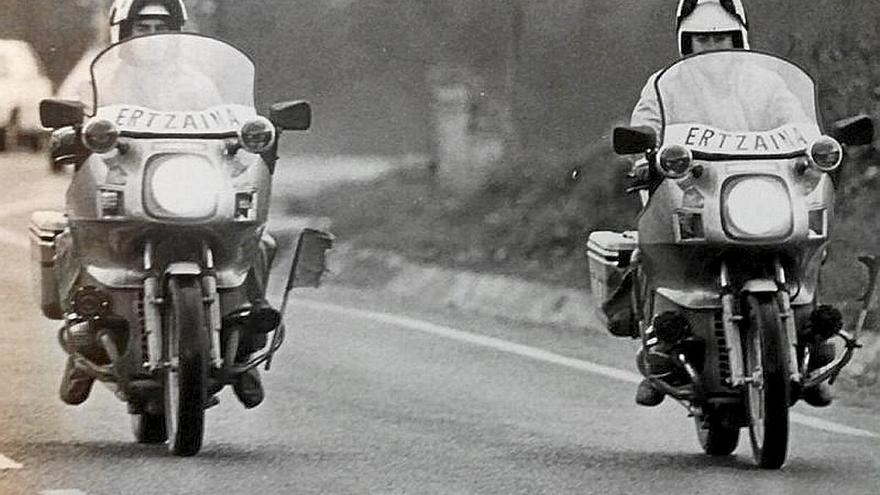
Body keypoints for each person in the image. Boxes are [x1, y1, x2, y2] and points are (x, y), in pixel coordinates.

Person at [60, 0, 276, 410]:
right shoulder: (98, 78)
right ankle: (80, 349)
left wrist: (250, 137)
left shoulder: (197, 82)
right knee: (72, 236)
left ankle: (244, 353)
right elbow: (69, 121)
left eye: (162, 25)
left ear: (178, 33)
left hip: (187, 182)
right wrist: (67, 133)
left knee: (258, 244)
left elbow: (230, 124)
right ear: (123, 31)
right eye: (143, 25)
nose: (152, 33)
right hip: (127, 180)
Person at [622, 0, 836, 408]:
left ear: (738, 38)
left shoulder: (766, 83)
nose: (712, 44)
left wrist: (815, 147)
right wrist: (643, 153)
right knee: (661, 243)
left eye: (720, 36)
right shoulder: (665, 86)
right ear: (688, 42)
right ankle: (661, 344)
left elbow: (796, 121)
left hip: (761, 189)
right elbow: (645, 128)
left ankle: (811, 340)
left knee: (807, 241)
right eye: (703, 37)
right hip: (698, 190)